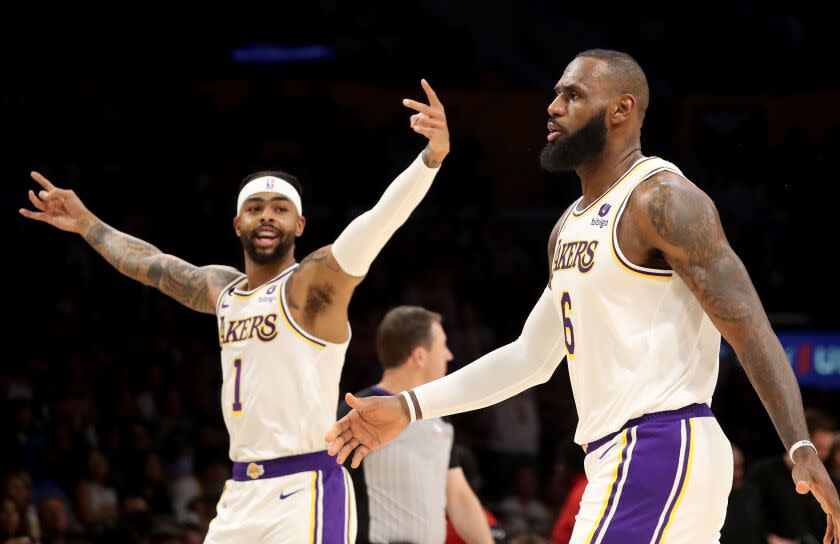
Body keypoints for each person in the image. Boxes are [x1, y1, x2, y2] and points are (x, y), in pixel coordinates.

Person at [325, 49, 840, 542]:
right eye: (555, 94)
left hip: (660, 443)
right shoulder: (567, 228)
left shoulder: (662, 199)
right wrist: (409, 406)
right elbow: (528, 358)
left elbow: (748, 324)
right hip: (623, 456)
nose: (553, 107)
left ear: (622, 109)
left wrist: (799, 444)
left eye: (573, 95)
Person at [21, 79, 451, 543]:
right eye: (257, 207)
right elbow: (150, 264)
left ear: (299, 224)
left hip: (304, 486)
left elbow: (377, 223)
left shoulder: (312, 285)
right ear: (237, 223)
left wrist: (430, 159)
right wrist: (85, 222)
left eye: (281, 208)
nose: (267, 216)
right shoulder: (222, 290)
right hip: (240, 490)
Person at [337, 306, 493, 544]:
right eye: (443, 346)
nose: (449, 355)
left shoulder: (441, 417)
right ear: (419, 356)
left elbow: (459, 497)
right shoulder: (358, 412)